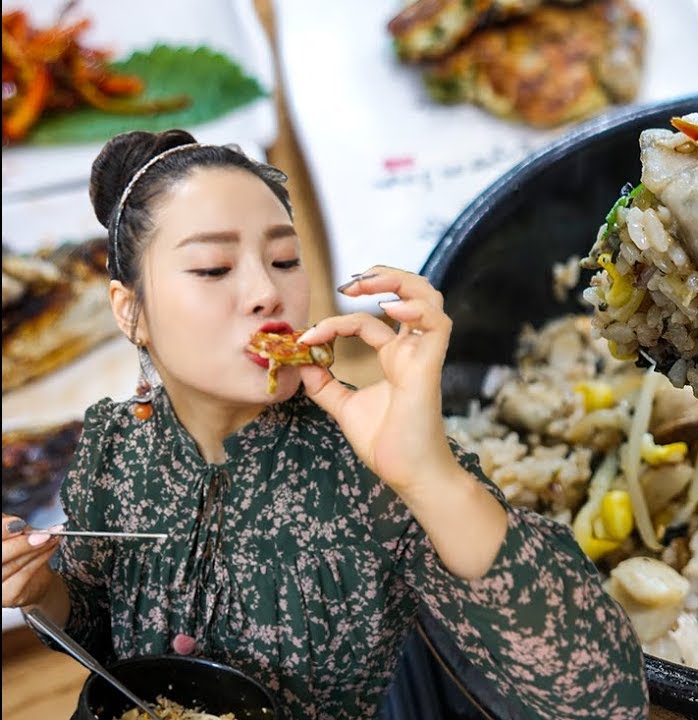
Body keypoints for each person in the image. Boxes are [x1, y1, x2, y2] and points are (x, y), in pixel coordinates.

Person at [0, 130, 648, 720]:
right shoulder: (114, 443)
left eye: (285, 260)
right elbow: (96, 619)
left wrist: (430, 478)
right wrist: (41, 589)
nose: (267, 292)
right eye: (213, 269)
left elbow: (598, 697)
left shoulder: (371, 461)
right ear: (131, 311)